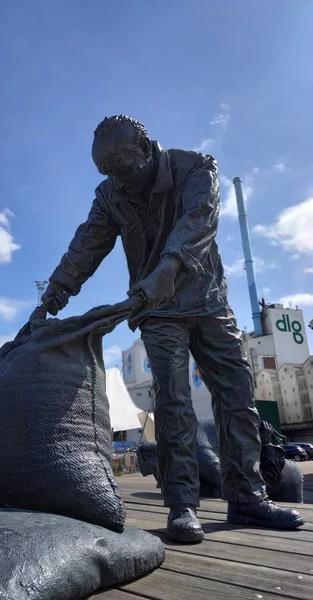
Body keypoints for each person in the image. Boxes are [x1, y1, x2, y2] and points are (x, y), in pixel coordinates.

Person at [41, 115, 304, 543]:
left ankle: (248, 497)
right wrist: (55, 293)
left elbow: (199, 218)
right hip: (157, 310)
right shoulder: (109, 194)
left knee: (237, 397)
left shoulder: (195, 168)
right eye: (109, 174)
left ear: (145, 149)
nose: (118, 183)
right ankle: (183, 505)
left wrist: (170, 266)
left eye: (122, 171)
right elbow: (87, 243)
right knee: (173, 401)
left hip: (207, 298)